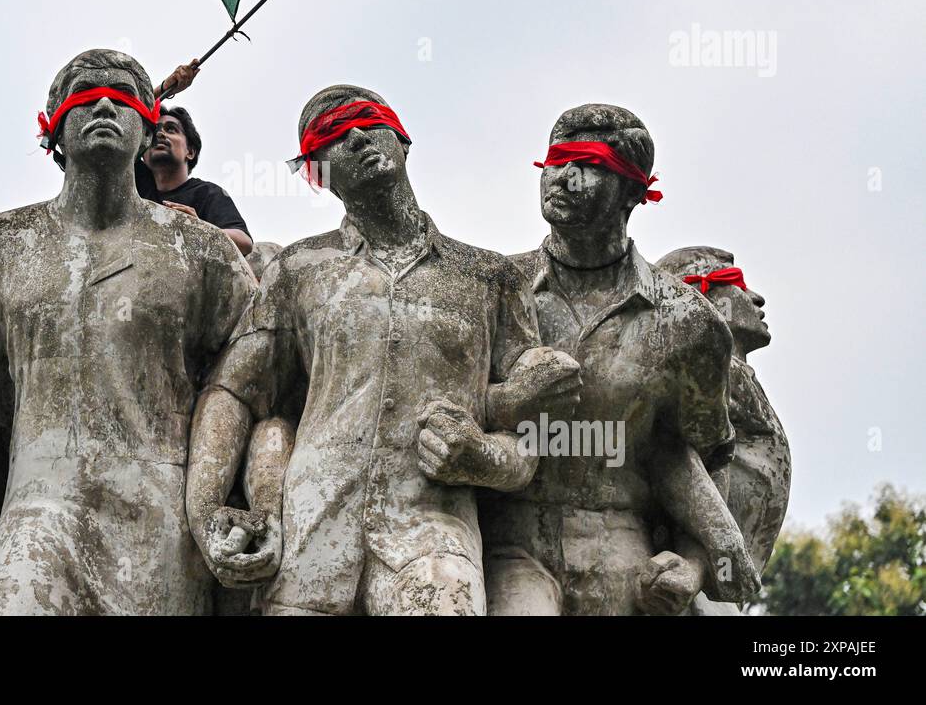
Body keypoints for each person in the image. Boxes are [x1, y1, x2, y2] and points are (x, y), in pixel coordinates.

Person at [186, 85, 580, 615]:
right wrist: (208, 510)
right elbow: (235, 392)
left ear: (402, 139)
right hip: (308, 535)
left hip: (434, 537)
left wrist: (478, 457)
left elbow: (525, 442)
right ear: (317, 174)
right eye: (331, 134)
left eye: (367, 121)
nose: (354, 136)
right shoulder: (297, 270)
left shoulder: (490, 277)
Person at [0, 49, 255, 615]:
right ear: (53, 128)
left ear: (147, 125)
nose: (102, 101)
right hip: (36, 513)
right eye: (84, 92)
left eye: (122, 93)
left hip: (162, 526)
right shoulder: (2, 243)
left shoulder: (197, 246)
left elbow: (256, 374)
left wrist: (240, 497)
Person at [482, 104, 756, 615]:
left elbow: (693, 455)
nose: (564, 176)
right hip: (509, 538)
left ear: (635, 191)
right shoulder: (495, 287)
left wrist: (695, 561)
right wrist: (509, 400)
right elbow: (447, 408)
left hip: (621, 542)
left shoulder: (689, 323)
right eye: (557, 159)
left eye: (588, 163)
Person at [656, 247, 790, 579]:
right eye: (739, 285)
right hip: (701, 564)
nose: (756, 298)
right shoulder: (708, 374)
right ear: (703, 299)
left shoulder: (736, 375)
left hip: (725, 573)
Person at [142, 104, 253, 255]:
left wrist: (197, 229)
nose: (160, 134)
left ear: (190, 151)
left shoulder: (208, 193)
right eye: (154, 131)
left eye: (171, 129)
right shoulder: (132, 184)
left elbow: (244, 242)